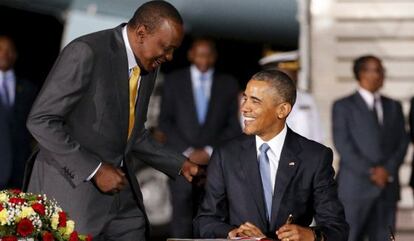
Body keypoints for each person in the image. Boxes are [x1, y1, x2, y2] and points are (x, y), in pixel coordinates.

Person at [24, 1, 200, 240]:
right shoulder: (86, 52)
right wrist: (95, 170)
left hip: (121, 201)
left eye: (173, 50)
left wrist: (180, 164)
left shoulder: (148, 64)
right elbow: (41, 120)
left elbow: (134, 134)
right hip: (73, 194)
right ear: (141, 33)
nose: (169, 56)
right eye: (166, 48)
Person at [195, 69, 349, 241]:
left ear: (282, 110)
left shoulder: (315, 157)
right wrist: (233, 233)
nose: (244, 108)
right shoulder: (225, 155)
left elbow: (337, 228)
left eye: (255, 101)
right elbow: (206, 221)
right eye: (245, 98)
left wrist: (310, 235)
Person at [158, 37, 241, 237]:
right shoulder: (173, 81)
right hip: (180, 161)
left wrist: (209, 151)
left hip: (214, 163)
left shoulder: (228, 83)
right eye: (199, 54)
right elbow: (165, 123)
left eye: (208, 55)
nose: (204, 59)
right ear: (190, 55)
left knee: (212, 215)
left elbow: (234, 127)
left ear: (214, 57)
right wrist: (188, 152)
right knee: (181, 214)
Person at [332, 55, 408, 241]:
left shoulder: (394, 106)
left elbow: (402, 142)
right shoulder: (343, 106)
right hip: (355, 189)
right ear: (362, 73)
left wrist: (387, 171)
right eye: (378, 70)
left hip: (386, 188)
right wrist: (371, 171)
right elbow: (343, 145)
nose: (382, 75)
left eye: (382, 70)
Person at [259, 50, 324, 143]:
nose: (295, 76)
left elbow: (318, 136)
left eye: (295, 72)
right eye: (290, 72)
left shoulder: (307, 99)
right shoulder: (258, 100)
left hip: (306, 155)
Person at [0, 35, 37, 189]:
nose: (4, 54)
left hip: (17, 168)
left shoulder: (28, 88)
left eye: (9, 51)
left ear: (15, 55)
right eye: (0, 49)